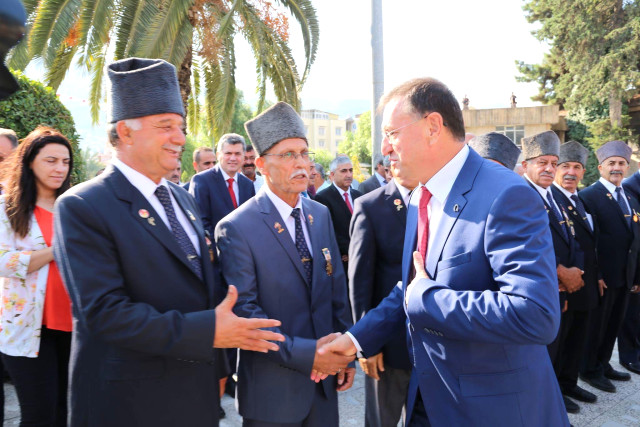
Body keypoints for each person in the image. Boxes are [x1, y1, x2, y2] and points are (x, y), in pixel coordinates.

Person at [317, 77, 568, 426]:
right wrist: (355, 339)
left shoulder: (505, 194)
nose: (385, 148)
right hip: (430, 398)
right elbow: (412, 287)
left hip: (491, 410)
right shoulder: (423, 196)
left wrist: (429, 299)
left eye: (391, 133)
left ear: (433, 126)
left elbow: (535, 314)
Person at [53, 57, 284, 427]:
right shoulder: (83, 205)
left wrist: (222, 365)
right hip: (129, 405)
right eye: (166, 127)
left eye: (181, 126)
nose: (180, 138)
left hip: (195, 397)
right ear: (125, 132)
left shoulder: (180, 198)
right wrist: (210, 332)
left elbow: (208, 289)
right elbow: (105, 313)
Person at [216, 101, 354, 426]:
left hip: (323, 387)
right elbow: (246, 313)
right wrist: (310, 355)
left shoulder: (319, 214)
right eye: (289, 155)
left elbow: (336, 290)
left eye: (305, 153)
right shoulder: (237, 227)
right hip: (272, 394)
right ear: (262, 164)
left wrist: (344, 351)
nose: (302, 164)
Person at [0, 126, 73, 426]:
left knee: (65, 411)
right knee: (39, 414)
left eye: (66, 162)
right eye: (51, 160)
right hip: (27, 327)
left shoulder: (73, 207)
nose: (60, 168)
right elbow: (4, 262)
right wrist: (58, 250)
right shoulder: (9, 208)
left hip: (73, 325)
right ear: (30, 161)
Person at [521, 131, 584, 414]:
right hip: (537, 291)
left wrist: (575, 272)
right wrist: (561, 273)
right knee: (537, 355)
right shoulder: (520, 195)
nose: (549, 168)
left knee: (555, 350)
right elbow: (527, 247)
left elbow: (572, 238)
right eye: (542, 162)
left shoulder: (554, 196)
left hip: (559, 291)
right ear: (525, 165)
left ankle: (550, 400)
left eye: (553, 162)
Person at [349, 166, 417, 427]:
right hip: (388, 344)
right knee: (382, 420)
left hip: (432, 343)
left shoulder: (437, 201)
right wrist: (368, 344)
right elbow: (360, 282)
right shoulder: (370, 205)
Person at [579, 140, 640, 392]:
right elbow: (587, 242)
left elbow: (635, 238)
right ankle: (589, 369)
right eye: (612, 163)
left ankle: (604, 364)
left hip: (625, 276)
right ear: (600, 166)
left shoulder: (629, 196)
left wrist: (636, 275)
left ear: (627, 167)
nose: (617, 167)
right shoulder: (588, 196)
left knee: (614, 325)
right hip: (603, 277)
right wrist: (598, 275)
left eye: (621, 163)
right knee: (597, 326)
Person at [551, 141, 601, 408]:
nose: (571, 172)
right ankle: (557, 390)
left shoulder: (579, 199)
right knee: (561, 342)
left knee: (577, 339)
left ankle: (570, 384)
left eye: (577, 167)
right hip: (564, 285)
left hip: (585, 284)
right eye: (565, 166)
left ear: (583, 172)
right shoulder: (551, 198)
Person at [190, 133, 256, 238]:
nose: (233, 158)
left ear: (243, 156)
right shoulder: (201, 180)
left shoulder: (248, 184)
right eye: (228, 153)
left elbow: (251, 219)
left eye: (237, 154)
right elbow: (200, 221)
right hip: (217, 249)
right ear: (218, 155)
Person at [315, 156, 362, 280]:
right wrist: (349, 251)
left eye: (351, 170)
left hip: (361, 258)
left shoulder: (359, 196)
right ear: (332, 175)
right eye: (343, 171)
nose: (349, 174)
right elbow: (328, 231)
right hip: (341, 263)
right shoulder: (323, 198)